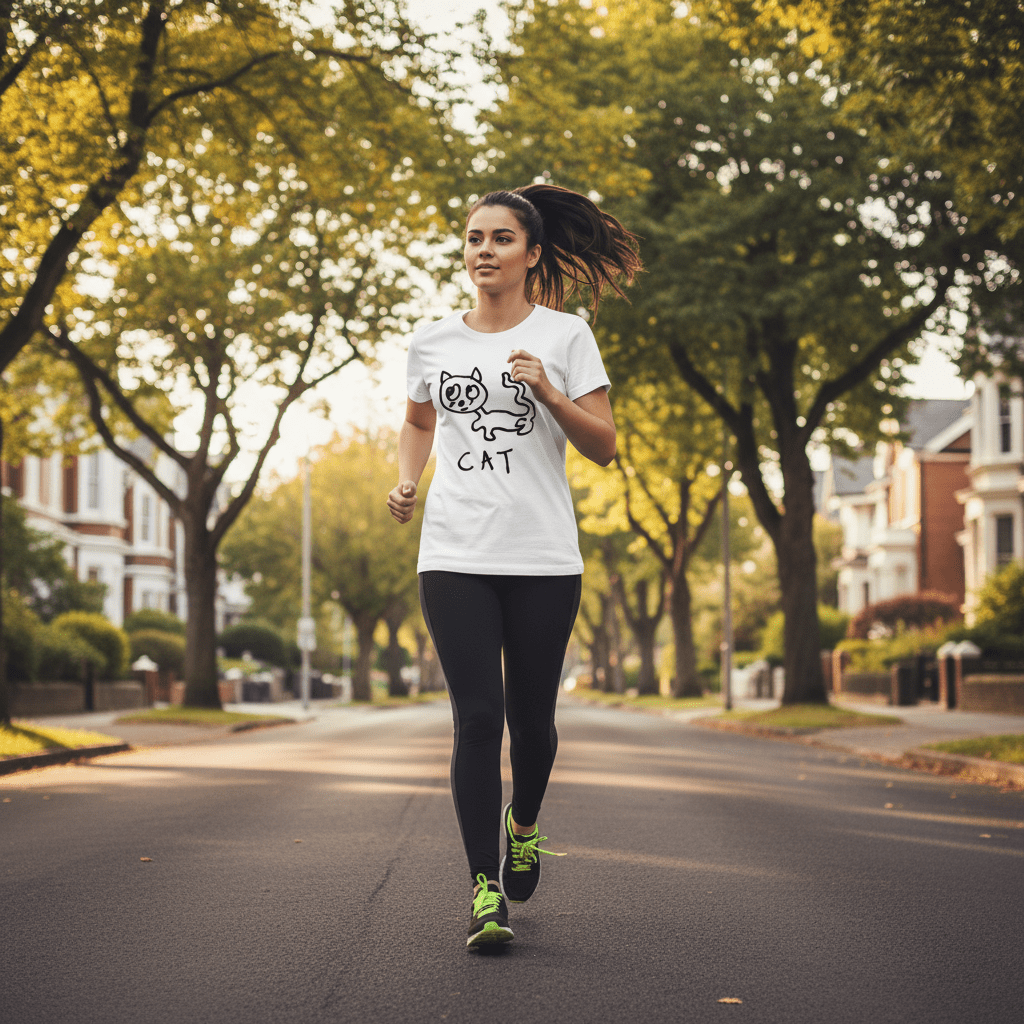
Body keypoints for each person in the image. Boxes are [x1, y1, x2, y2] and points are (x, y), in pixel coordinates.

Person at [386, 183, 641, 949]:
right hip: (455, 553)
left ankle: (522, 825)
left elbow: (604, 444)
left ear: (531, 254)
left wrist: (551, 393)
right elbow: (416, 420)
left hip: (542, 555)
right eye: (473, 238)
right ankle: (483, 889)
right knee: (477, 719)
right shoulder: (432, 341)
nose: (483, 251)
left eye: (500, 239)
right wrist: (407, 479)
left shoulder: (567, 335)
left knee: (534, 726)